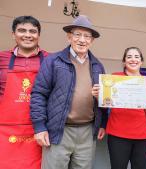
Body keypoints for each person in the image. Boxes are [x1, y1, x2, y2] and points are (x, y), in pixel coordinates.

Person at [30, 15, 107, 169]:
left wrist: (103, 122)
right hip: (59, 130)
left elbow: (105, 98)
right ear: (69, 37)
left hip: (87, 131)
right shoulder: (53, 61)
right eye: (77, 34)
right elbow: (39, 94)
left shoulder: (98, 65)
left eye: (87, 36)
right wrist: (39, 127)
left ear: (92, 41)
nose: (82, 40)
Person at [92, 47, 146, 169]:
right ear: (124, 61)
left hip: (142, 136)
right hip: (118, 134)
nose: (133, 60)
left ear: (141, 61)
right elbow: (104, 103)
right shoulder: (114, 78)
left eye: (136, 57)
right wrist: (99, 96)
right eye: (129, 57)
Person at [0, 15, 48, 169]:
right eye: (22, 30)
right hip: (5, 130)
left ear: (38, 35)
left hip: (39, 130)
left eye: (32, 31)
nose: (27, 35)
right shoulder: (1, 58)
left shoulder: (51, 60)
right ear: (13, 34)